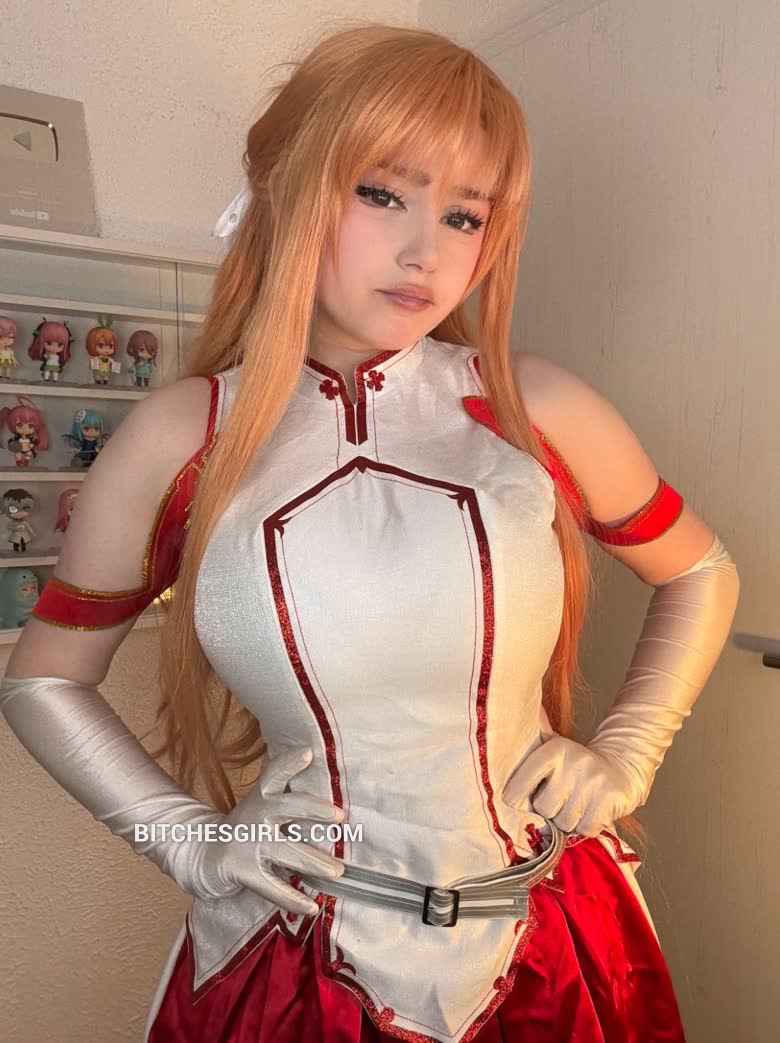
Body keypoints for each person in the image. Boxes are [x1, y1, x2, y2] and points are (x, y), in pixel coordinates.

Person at [0, 21, 739, 1043]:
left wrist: (626, 753)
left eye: (465, 214)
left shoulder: (535, 408)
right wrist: (187, 841)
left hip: (559, 949)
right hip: (289, 968)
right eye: (382, 193)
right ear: (288, 190)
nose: (426, 250)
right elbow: (43, 679)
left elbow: (701, 569)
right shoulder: (181, 437)